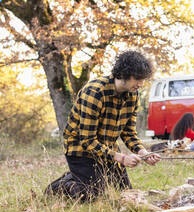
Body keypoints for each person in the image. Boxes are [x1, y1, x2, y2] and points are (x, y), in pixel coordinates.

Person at [45, 50, 161, 201]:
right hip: (80, 149)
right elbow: (87, 141)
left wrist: (143, 153)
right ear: (124, 74)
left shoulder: (133, 95)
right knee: (92, 195)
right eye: (137, 78)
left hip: (106, 148)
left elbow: (129, 133)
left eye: (143, 79)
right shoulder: (94, 92)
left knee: (125, 192)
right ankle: (60, 185)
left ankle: (79, 176)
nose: (141, 84)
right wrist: (121, 158)